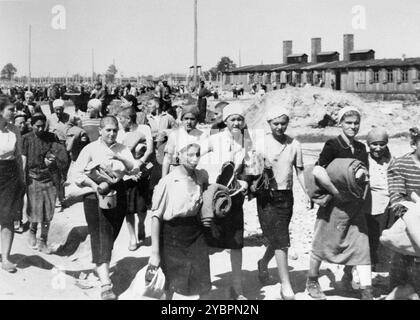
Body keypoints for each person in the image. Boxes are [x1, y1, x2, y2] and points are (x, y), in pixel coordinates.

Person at [306, 106, 373, 300]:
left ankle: (367, 292)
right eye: (348, 123)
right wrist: (336, 193)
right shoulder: (333, 145)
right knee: (322, 244)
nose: (353, 127)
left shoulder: (361, 148)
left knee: (361, 246)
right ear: (340, 124)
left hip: (355, 205)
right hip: (334, 204)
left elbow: (363, 175)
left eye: (356, 123)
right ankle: (312, 281)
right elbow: (318, 171)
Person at [72, 115, 140, 300]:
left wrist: (119, 158)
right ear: (100, 130)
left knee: (111, 235)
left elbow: (133, 169)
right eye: (108, 130)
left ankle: (100, 264)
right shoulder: (90, 148)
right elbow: (77, 175)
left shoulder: (123, 148)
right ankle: (106, 285)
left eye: (114, 130)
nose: (111, 133)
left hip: (118, 193)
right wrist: (95, 186)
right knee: (102, 236)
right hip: (95, 195)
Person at [198, 101, 253, 300]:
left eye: (239, 119)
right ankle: (204, 287)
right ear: (226, 121)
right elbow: (194, 154)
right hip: (214, 197)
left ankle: (237, 288)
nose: (236, 123)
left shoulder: (248, 141)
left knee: (236, 243)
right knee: (208, 240)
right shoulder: (215, 138)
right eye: (232, 119)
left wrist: (246, 182)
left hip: (235, 198)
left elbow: (252, 165)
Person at [254, 106, 308, 300]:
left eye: (283, 123)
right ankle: (286, 286)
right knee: (281, 240)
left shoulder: (294, 144)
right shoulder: (260, 143)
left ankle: (263, 263)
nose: (279, 127)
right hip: (266, 196)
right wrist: (261, 164)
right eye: (275, 123)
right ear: (269, 124)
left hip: (286, 196)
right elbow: (250, 168)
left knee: (279, 238)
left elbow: (300, 171)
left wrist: (308, 192)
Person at [149, 142, 211, 299]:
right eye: (189, 154)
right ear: (178, 155)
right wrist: (155, 253)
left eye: (197, 154)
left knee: (202, 277)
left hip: (195, 232)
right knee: (170, 283)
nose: (194, 158)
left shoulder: (201, 176)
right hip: (172, 234)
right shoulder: (168, 181)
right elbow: (156, 217)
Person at [22, 113, 69, 253]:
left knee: (48, 210)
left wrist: (53, 160)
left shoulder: (51, 137)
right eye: (38, 126)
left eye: (43, 126)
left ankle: (43, 240)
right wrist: (23, 181)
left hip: (49, 178)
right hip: (33, 178)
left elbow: (61, 155)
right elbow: (23, 161)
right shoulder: (26, 139)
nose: (41, 129)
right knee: (35, 208)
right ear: (32, 125)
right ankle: (32, 230)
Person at [387, 127, 420, 296]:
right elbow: (397, 202)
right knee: (403, 285)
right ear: (414, 144)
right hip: (408, 224)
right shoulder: (400, 164)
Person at [116, 106, 153, 251]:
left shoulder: (144, 129)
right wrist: (130, 169)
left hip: (144, 170)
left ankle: (141, 224)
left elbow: (150, 150)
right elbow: (119, 154)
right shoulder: (119, 134)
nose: (120, 123)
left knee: (142, 207)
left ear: (129, 119)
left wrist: (140, 164)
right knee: (128, 209)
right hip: (127, 175)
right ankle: (132, 238)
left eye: (121, 120)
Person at [0, 96, 24, 273]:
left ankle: (6, 257)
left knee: (7, 216)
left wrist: (22, 179)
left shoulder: (15, 130)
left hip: (10, 175)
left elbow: (18, 156)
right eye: (11, 110)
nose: (14, 113)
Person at [365, 128, 392, 269]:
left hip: (389, 204)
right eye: (374, 144)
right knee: (371, 237)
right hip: (371, 205)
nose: (378, 148)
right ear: (368, 144)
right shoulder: (364, 160)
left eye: (382, 144)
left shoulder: (389, 159)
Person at [162, 105, 207, 177]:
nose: (188, 122)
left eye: (192, 119)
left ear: (197, 120)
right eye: (186, 118)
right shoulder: (174, 135)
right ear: (182, 119)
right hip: (176, 172)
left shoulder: (203, 135)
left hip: (195, 173)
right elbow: (167, 158)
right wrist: (163, 178)